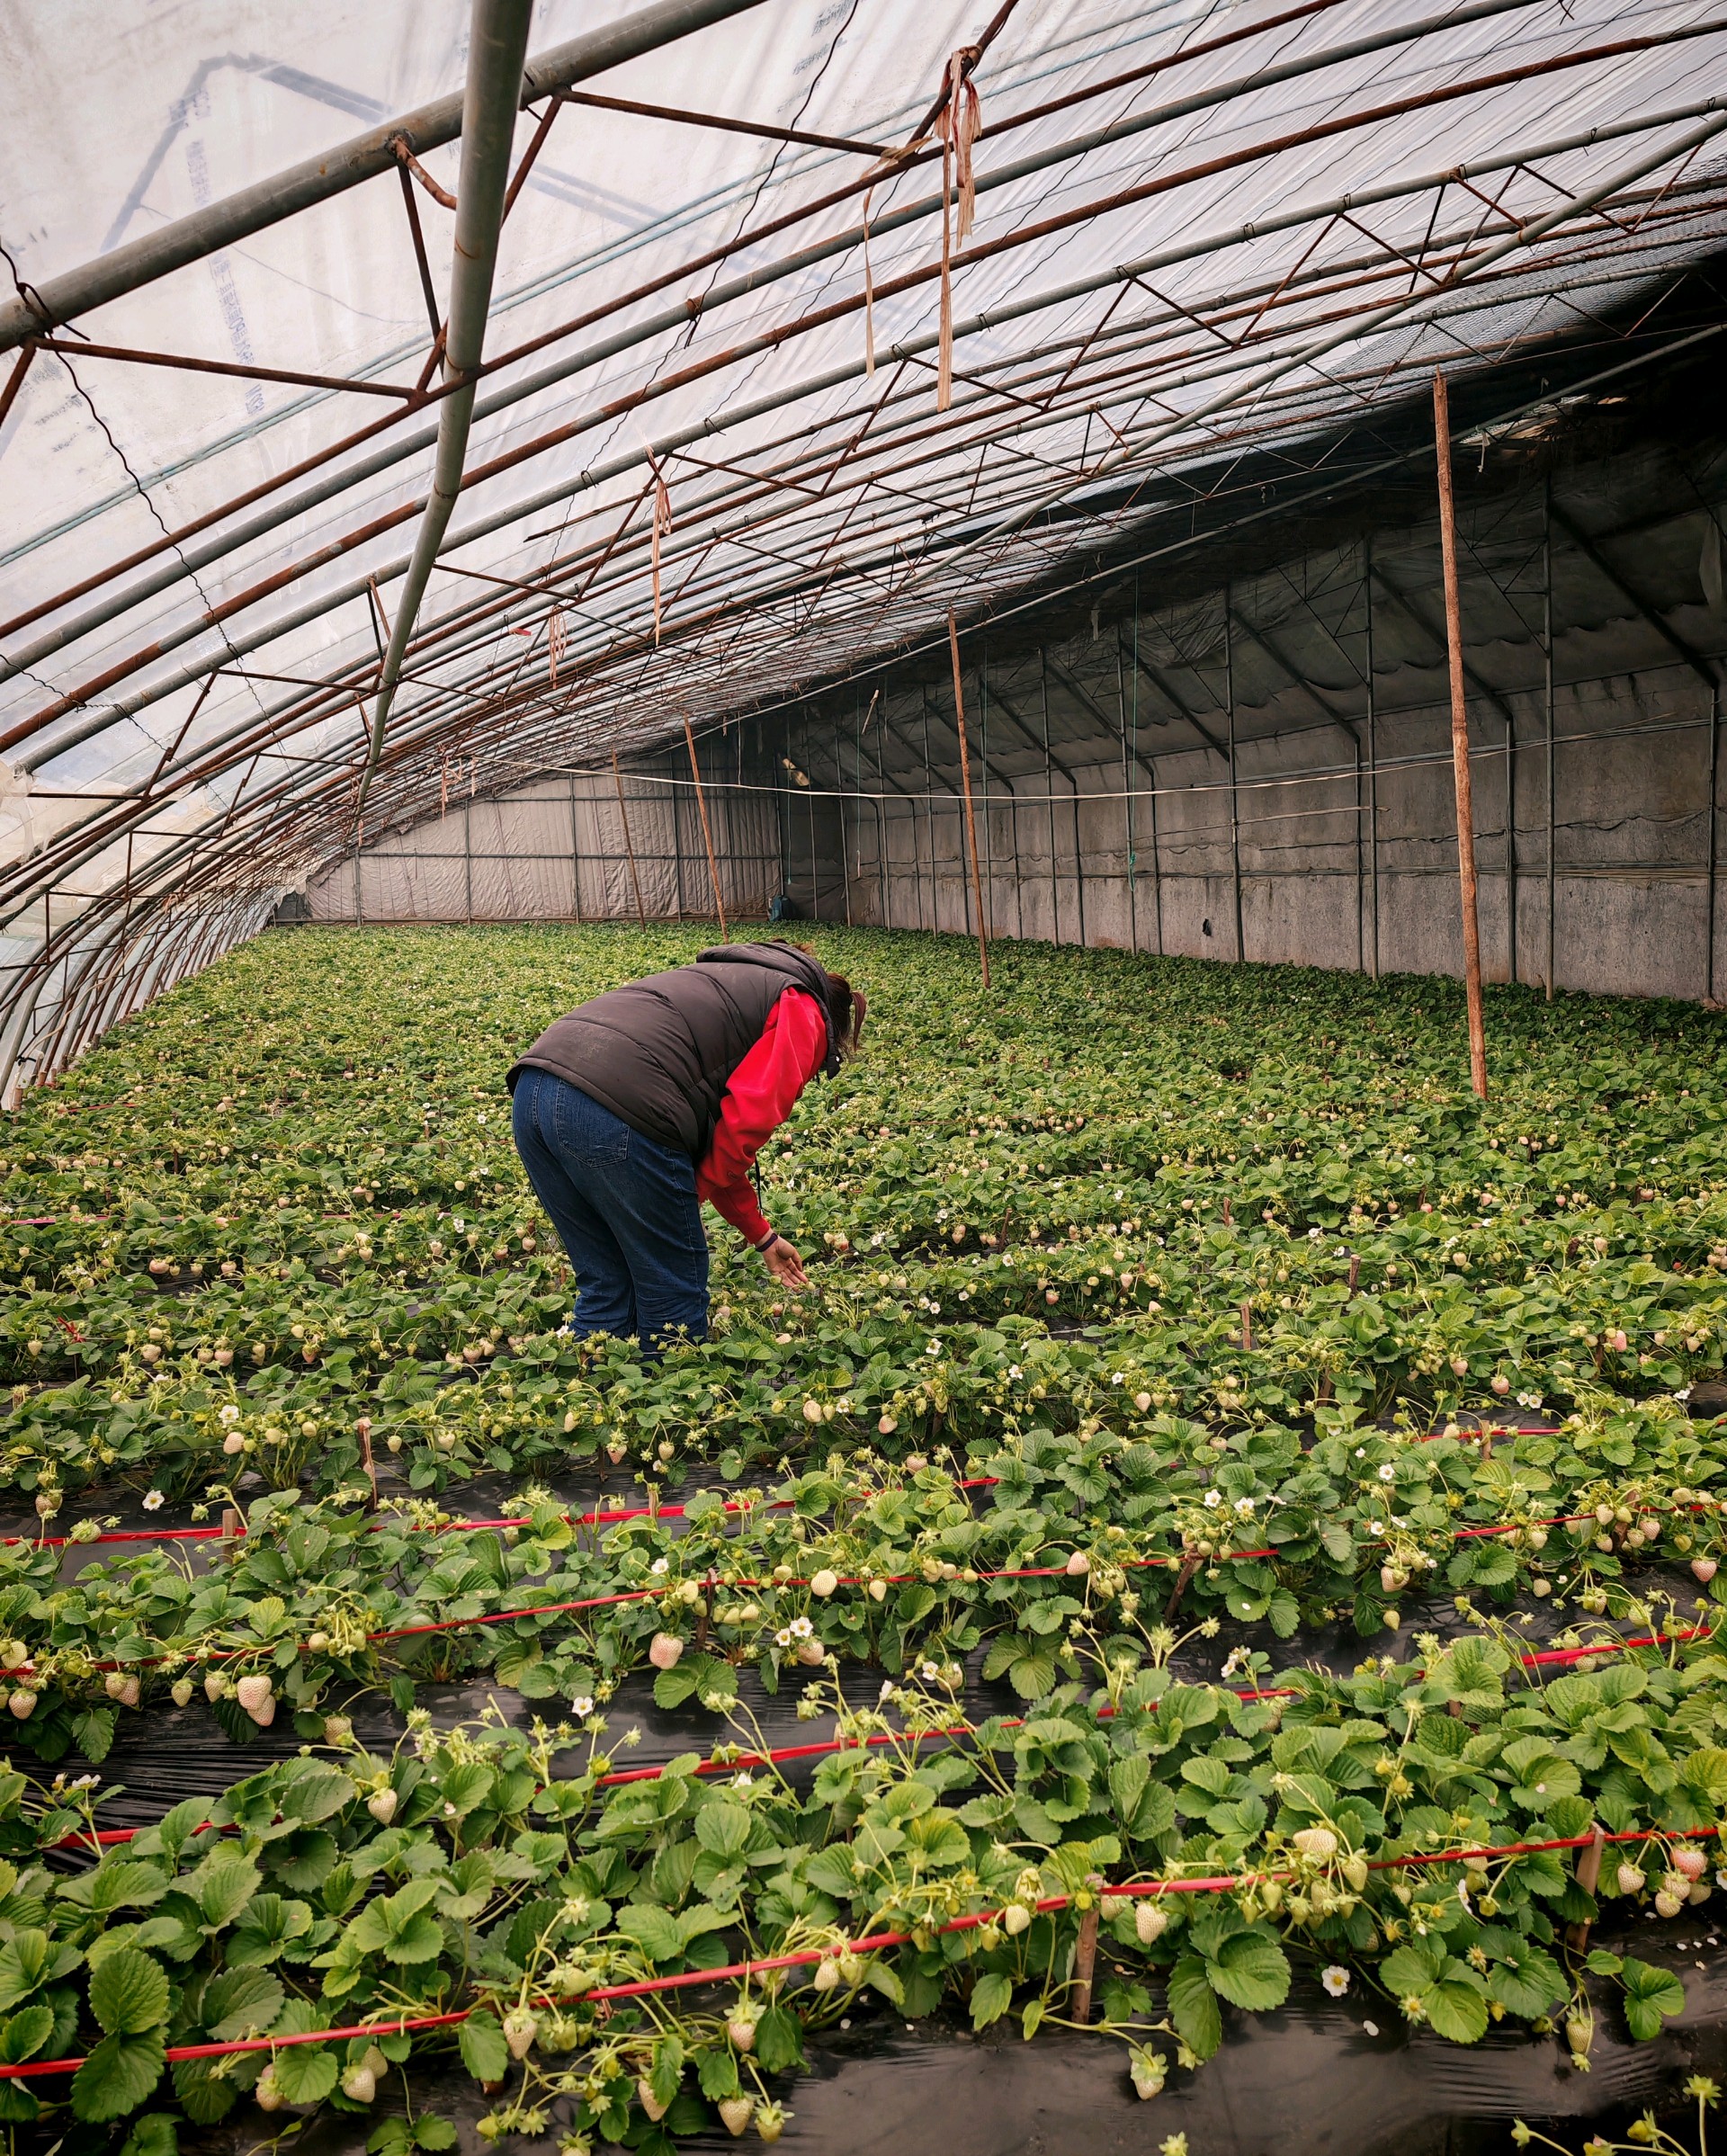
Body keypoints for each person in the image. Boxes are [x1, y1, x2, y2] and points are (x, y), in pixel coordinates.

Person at [506, 940, 864, 1349]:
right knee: (671, 1298)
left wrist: (762, 1236)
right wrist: (683, 1198)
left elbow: (718, 1143)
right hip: (619, 1105)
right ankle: (667, 1385)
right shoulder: (801, 1006)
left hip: (533, 1091)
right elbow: (744, 1124)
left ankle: (590, 1382)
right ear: (833, 1023)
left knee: (607, 1285)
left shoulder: (724, 978)